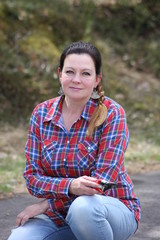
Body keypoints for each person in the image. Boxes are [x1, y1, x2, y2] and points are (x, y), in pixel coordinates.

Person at [8, 41, 141, 240]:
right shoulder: (41, 114)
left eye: (86, 73)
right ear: (60, 74)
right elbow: (32, 178)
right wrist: (71, 185)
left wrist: (47, 204)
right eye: (70, 72)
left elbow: (102, 184)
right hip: (59, 216)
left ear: (97, 79)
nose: (76, 80)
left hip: (109, 210)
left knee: (83, 209)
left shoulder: (112, 114)